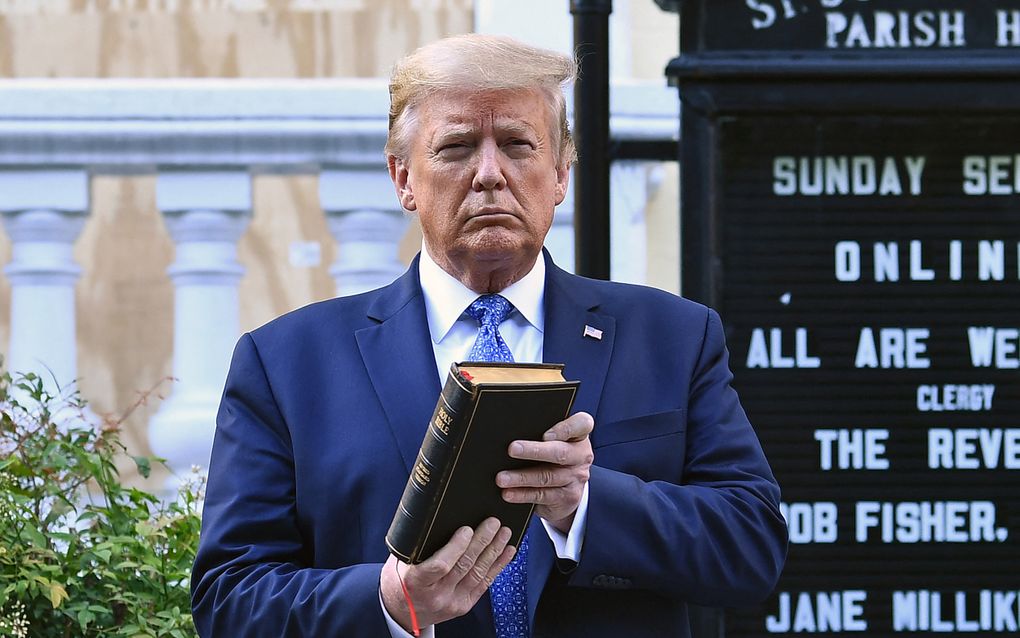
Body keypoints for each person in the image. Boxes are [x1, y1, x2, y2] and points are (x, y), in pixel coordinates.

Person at [191, 34, 788, 638]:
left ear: (559, 173)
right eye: (455, 148)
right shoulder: (286, 364)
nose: (489, 175)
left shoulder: (672, 338)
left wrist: (585, 504)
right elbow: (228, 600)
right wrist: (388, 601)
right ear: (403, 179)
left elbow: (751, 546)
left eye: (516, 145)